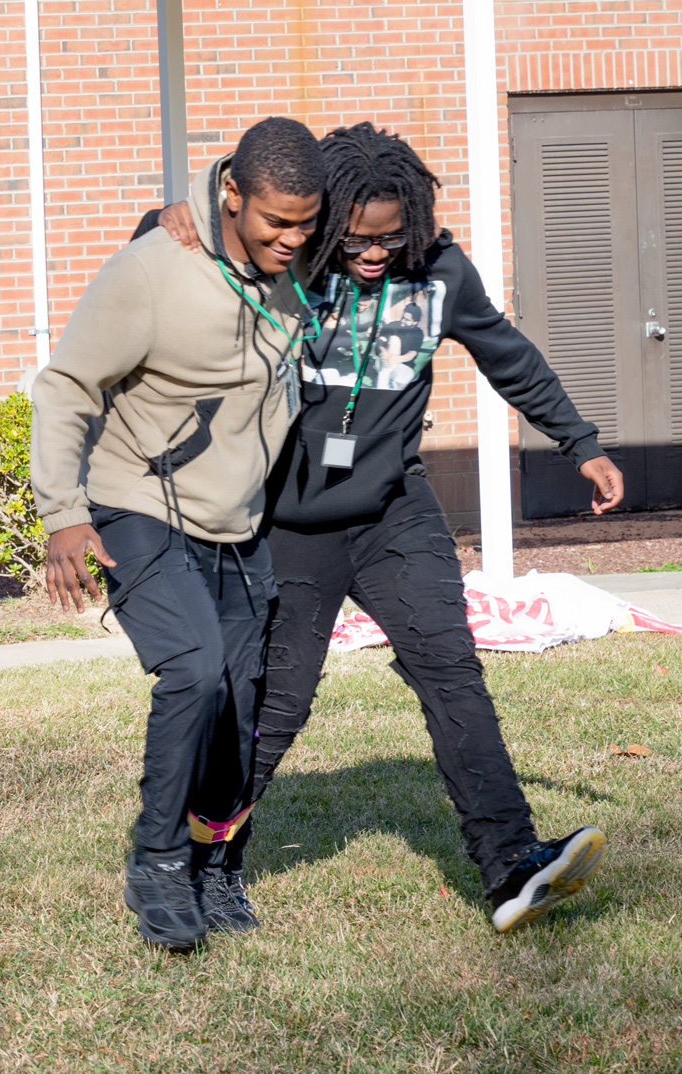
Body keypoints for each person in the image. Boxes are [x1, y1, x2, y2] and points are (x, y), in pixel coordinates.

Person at [147, 123, 619, 932]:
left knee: (451, 670)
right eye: (358, 239)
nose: (374, 253)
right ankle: (200, 867)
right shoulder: (284, 260)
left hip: (395, 510)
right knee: (274, 707)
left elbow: (508, 355)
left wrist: (581, 444)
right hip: (289, 525)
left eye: (391, 237)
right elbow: (171, 257)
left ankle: (511, 863)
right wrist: (170, 215)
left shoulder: (440, 273)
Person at [31, 117, 325, 950]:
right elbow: (65, 387)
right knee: (194, 672)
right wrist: (63, 513)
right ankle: (157, 863)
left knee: (239, 707)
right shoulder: (153, 269)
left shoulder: (297, 262)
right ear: (230, 194)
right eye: (276, 222)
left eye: (305, 224)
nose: (292, 238)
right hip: (138, 502)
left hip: (237, 521)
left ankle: (215, 865)